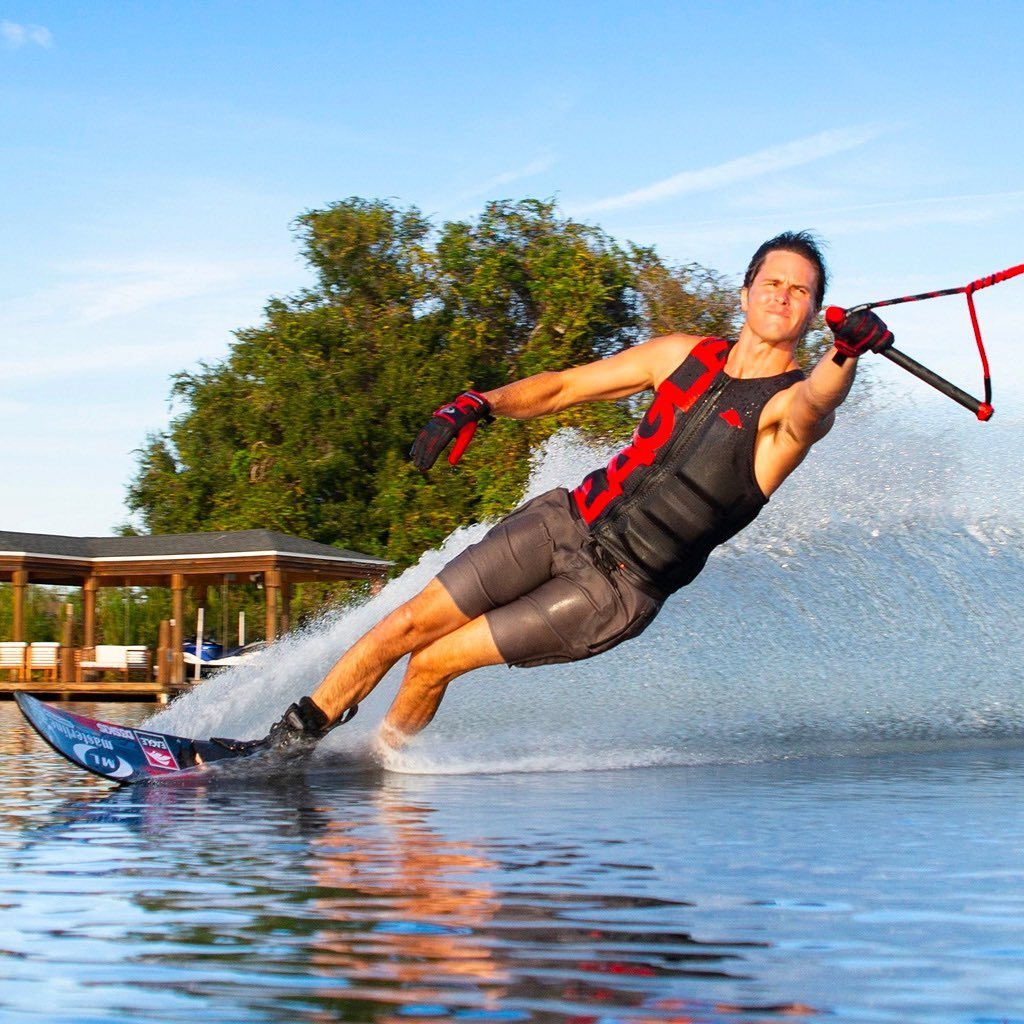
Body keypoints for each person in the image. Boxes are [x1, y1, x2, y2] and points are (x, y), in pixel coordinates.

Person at [218, 231, 893, 756]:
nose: (780, 296)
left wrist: (846, 356)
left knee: (434, 661)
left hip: (616, 587)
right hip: (565, 521)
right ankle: (284, 748)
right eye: (770, 282)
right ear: (744, 293)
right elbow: (565, 386)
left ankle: (377, 765)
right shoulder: (680, 354)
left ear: (811, 315)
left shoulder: (786, 411)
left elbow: (816, 402)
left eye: (799, 291)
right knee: (401, 626)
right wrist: (477, 404)